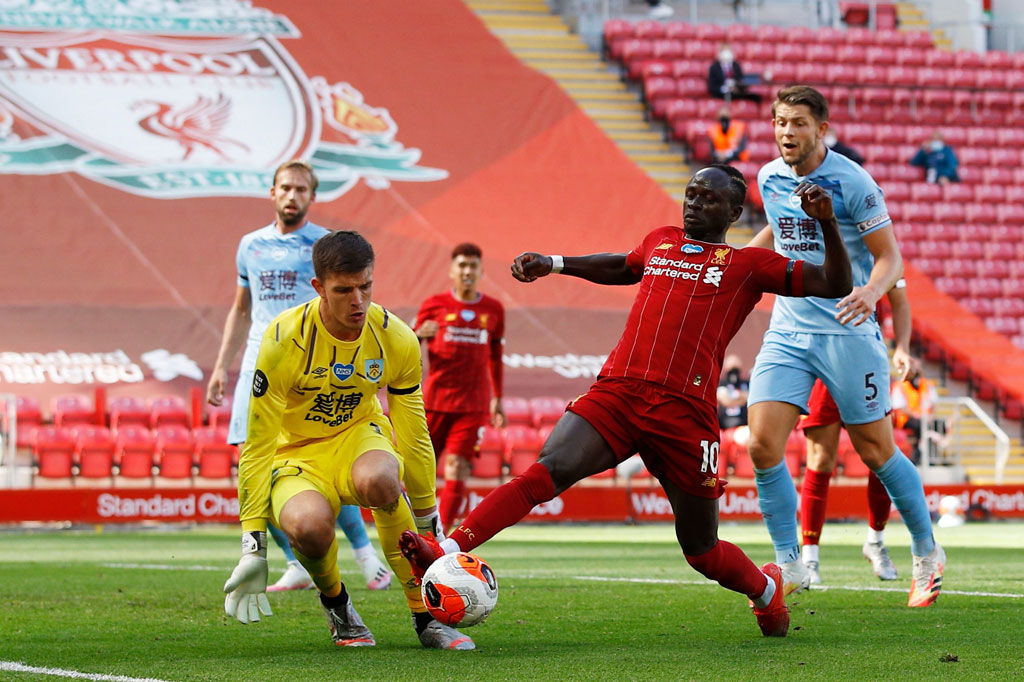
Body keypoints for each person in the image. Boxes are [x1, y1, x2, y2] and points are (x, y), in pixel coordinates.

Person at [400, 164, 855, 640]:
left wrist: (825, 221)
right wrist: (554, 263)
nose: (695, 202)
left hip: (685, 413)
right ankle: (447, 548)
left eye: (709, 198)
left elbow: (834, 283)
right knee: (546, 471)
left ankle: (765, 590)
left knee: (700, 550)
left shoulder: (747, 265)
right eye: (692, 193)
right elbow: (621, 266)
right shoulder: (660, 240)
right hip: (619, 390)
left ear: (734, 212)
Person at [222, 230, 474, 650]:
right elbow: (258, 443)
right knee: (308, 528)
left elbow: (413, 433)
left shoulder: (396, 338)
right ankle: (338, 607)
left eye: (365, 286)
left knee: (381, 479)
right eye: (343, 290)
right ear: (319, 287)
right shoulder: (283, 341)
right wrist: (254, 546)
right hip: (294, 455)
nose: (358, 300)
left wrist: (430, 518)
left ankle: (426, 616)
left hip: (358, 436)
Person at [744, 85, 945, 608]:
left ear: (822, 129)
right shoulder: (767, 177)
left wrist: (871, 291)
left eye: (798, 124)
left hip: (848, 331)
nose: (787, 132)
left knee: (877, 450)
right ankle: (791, 565)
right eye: (780, 122)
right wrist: (736, 263)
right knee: (762, 445)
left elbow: (890, 258)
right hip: (788, 330)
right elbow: (780, 229)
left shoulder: (855, 182)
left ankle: (927, 553)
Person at [206, 160, 392, 593]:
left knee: (322, 460)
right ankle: (296, 562)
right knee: (254, 466)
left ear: (312, 196)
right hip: (259, 364)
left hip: (310, 366)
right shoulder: (249, 245)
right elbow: (241, 308)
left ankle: (365, 554)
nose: (292, 196)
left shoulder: (322, 247)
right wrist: (221, 366)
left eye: (301, 189)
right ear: (272, 193)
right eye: (285, 188)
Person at [798, 280, 915, 585]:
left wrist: (902, 348)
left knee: (880, 456)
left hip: (866, 360)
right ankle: (809, 559)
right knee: (821, 460)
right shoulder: (817, 241)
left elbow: (900, 301)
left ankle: (875, 542)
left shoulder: (880, 249)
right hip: (822, 360)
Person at [415, 243, 505, 534]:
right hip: (435, 401)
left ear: (481, 271)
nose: (467, 271)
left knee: (457, 468)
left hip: (473, 405)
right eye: (462, 265)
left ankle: (437, 538)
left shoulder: (494, 310)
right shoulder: (433, 305)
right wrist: (417, 335)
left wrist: (498, 399)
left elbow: (495, 357)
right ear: (452, 270)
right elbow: (408, 349)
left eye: (473, 266)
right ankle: (413, 530)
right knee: (420, 471)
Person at [891, 370, 942, 465]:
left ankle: (930, 456)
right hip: (906, 420)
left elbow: (933, 404)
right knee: (921, 426)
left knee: (939, 425)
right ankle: (919, 455)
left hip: (925, 419)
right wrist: (917, 416)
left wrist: (929, 416)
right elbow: (900, 407)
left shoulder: (926, 385)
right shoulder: (901, 386)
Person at [717, 355, 749, 430]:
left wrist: (731, 397)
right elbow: (725, 400)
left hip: (743, 424)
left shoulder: (746, 383)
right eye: (731, 369)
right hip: (724, 425)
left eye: (736, 369)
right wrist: (741, 397)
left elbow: (749, 397)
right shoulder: (721, 383)